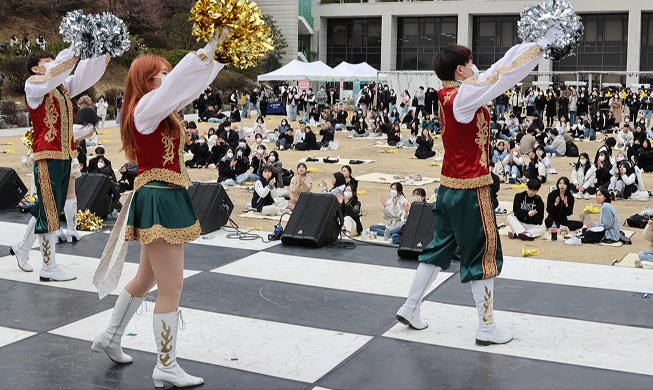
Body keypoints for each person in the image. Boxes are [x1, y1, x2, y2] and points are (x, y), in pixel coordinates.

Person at [396, 30, 563, 345]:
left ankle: (410, 306)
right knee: (484, 256)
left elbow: (494, 71)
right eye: (470, 63)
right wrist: (538, 48)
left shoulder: (449, 94)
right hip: (471, 190)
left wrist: (530, 47)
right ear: (460, 69)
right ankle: (486, 327)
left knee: (435, 250)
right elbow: (501, 76)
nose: (475, 67)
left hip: (447, 187)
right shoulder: (463, 95)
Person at [93, 27, 230, 387]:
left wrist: (217, 57)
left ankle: (109, 336)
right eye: (162, 73)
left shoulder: (158, 107)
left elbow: (187, 88)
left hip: (161, 194)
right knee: (172, 287)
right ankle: (166, 365)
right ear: (147, 79)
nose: (169, 78)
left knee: (147, 278)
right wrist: (209, 48)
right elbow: (178, 86)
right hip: (159, 196)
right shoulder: (146, 108)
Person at [9, 42, 109, 280]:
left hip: (65, 155)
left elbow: (85, 74)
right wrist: (76, 46)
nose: (54, 66)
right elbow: (57, 72)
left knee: (48, 208)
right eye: (48, 63)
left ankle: (23, 248)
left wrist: (99, 48)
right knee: (50, 210)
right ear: (35, 69)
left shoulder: (62, 88)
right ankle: (48, 266)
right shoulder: (33, 86)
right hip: (47, 156)